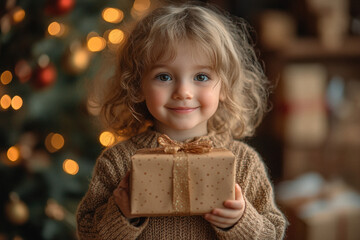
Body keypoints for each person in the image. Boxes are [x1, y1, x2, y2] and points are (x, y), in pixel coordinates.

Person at [76, 2, 287, 239]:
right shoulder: (117, 163)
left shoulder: (244, 163)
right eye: (164, 76)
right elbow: (87, 232)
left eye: (201, 76)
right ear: (136, 85)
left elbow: (272, 233)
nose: (183, 91)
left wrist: (241, 221)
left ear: (225, 86)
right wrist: (122, 215)